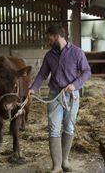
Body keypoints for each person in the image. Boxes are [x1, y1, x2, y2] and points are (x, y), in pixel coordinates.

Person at [28, 24, 91, 172]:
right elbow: (42, 74)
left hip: (71, 96)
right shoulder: (49, 56)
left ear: (57, 36)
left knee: (69, 127)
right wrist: (33, 88)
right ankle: (56, 166)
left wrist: (75, 85)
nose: (47, 41)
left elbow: (87, 72)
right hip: (54, 95)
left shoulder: (77, 52)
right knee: (54, 129)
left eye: (49, 38)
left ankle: (65, 161)